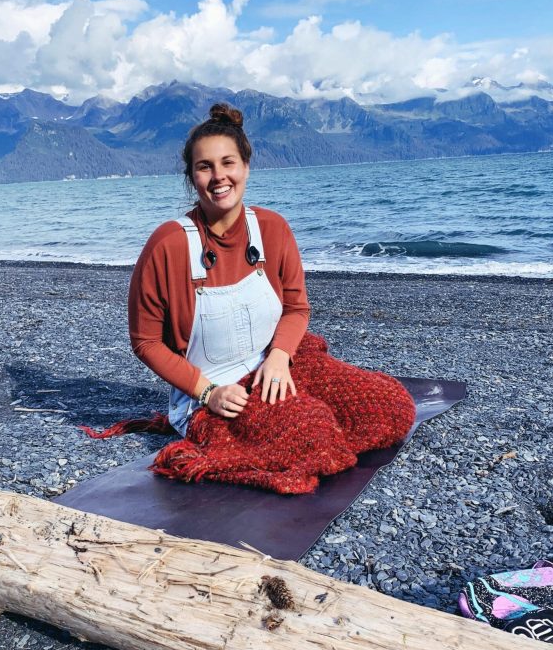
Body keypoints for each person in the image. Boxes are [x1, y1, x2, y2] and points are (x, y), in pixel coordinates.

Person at [127, 102, 415, 494]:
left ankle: (302, 421)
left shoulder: (272, 228)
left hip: (275, 366)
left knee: (392, 406)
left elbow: (297, 308)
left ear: (246, 166)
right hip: (215, 393)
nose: (218, 177)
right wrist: (208, 393)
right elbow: (145, 342)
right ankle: (286, 427)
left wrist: (280, 356)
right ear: (191, 176)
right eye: (204, 166)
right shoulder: (167, 245)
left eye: (227, 163)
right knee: (311, 431)